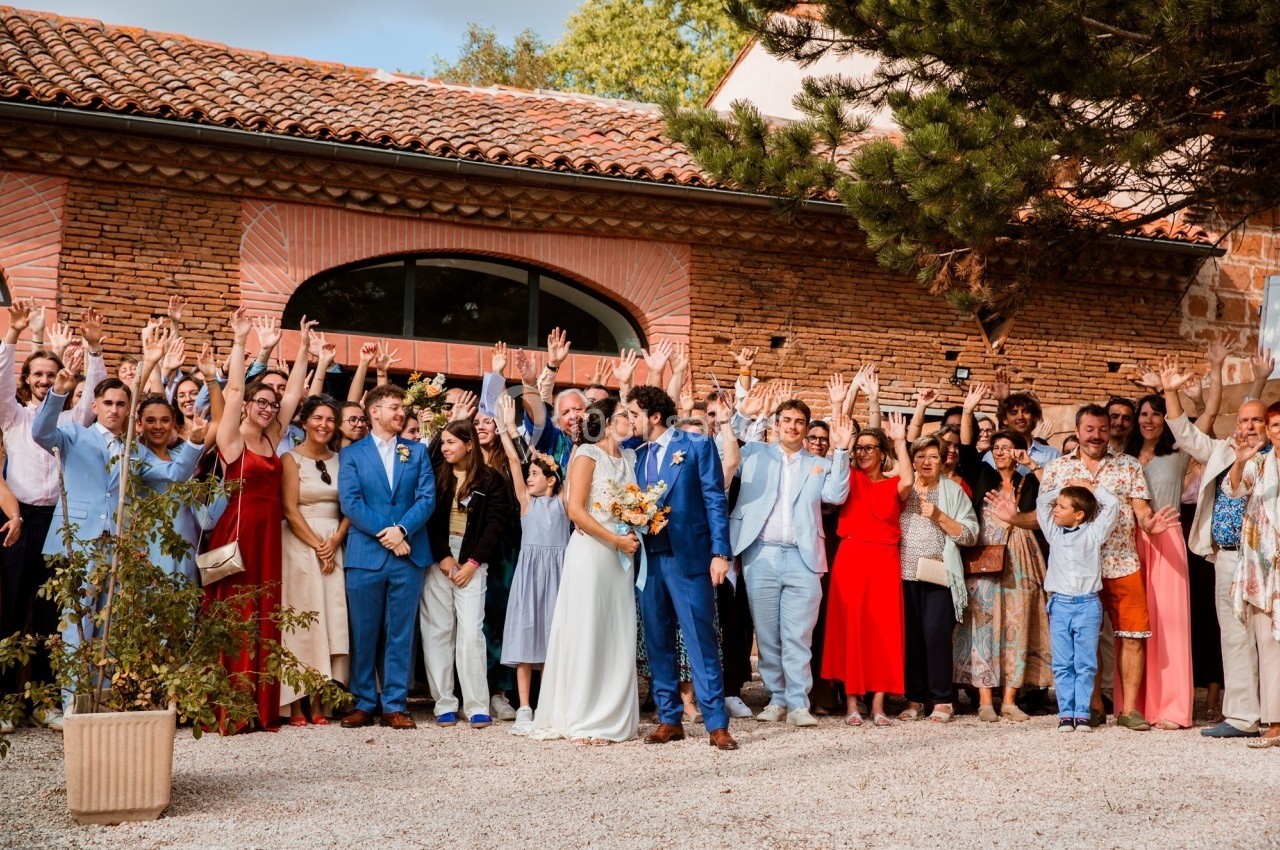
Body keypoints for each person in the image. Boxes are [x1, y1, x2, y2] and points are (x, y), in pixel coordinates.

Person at [1040, 404, 1180, 731]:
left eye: (1103, 429)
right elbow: (1046, 512)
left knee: (1132, 634)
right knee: (1085, 638)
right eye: (1090, 429)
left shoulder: (1128, 466)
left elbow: (1141, 509)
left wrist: (1150, 524)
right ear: (1078, 431)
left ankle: (1129, 709)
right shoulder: (1057, 469)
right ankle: (1093, 707)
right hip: (1076, 570)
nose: (1097, 436)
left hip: (1122, 560)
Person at [0, 301, 105, 729]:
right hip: (18, 520)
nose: (44, 381)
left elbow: (96, 396)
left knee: (49, 614)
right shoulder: (14, 416)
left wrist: (94, 349)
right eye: (37, 375)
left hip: (60, 523)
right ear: (27, 381)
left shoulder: (69, 421)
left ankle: (43, 699)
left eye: (51, 375)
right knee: (9, 610)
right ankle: (6, 703)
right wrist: (14, 335)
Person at [206, 309, 311, 731]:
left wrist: (303, 348)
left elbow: (296, 392)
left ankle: (259, 706)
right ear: (248, 404)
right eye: (261, 401)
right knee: (235, 614)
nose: (269, 407)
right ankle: (228, 706)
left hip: (269, 533)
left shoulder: (273, 435)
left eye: (272, 403)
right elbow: (233, 388)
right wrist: (240, 341)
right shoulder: (231, 438)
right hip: (237, 531)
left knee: (264, 614)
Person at [1160, 366, 1269, 739]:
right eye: (1244, 420)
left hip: (1264, 561)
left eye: (1257, 420)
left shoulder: (1275, 457)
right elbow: (1186, 434)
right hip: (1225, 556)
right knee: (1234, 636)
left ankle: (1273, 715)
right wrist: (1170, 392)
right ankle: (1242, 716)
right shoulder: (1224, 450)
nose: (1250, 426)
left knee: (1269, 636)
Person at [729, 396, 851, 728]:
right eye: (786, 420)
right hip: (761, 553)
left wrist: (840, 453)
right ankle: (777, 698)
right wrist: (740, 415)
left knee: (799, 634)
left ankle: (799, 703)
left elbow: (836, 495)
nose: (792, 426)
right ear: (776, 424)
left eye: (799, 421)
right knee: (768, 634)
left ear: (805, 427)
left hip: (804, 556)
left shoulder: (821, 463)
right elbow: (725, 452)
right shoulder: (754, 453)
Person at [629, 385, 738, 750]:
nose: (629, 421)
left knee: (700, 640)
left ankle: (716, 723)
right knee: (659, 641)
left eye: (634, 414)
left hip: (689, 557)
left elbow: (713, 498)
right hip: (649, 560)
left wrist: (720, 552)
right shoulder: (637, 456)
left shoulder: (695, 446)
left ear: (654, 416)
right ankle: (668, 718)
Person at [530, 397, 641, 745]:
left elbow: (636, 502)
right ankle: (579, 717)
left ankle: (612, 716)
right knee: (587, 630)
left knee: (616, 631)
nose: (631, 420)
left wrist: (636, 528)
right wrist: (614, 539)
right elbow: (575, 511)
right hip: (593, 553)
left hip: (621, 559)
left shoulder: (632, 457)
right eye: (625, 415)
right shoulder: (586, 455)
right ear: (607, 422)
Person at [338, 383, 436, 730]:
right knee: (363, 631)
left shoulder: (417, 451)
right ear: (374, 412)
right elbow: (351, 502)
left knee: (400, 632)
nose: (401, 413)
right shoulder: (351, 454)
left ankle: (394, 703)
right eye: (394, 407)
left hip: (408, 555)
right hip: (366, 554)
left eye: (402, 408)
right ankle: (364, 701)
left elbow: (426, 499)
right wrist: (389, 535)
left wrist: (403, 531)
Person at [955, 383, 1053, 721]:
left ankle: (1010, 698)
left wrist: (1033, 465)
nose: (1000, 451)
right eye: (996, 446)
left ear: (1020, 451)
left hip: (1023, 557)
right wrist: (969, 410)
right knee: (981, 623)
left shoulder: (1033, 479)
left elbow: (1052, 503)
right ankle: (985, 699)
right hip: (985, 552)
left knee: (1019, 621)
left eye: (1007, 446)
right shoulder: (983, 474)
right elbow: (967, 450)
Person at [993, 483, 1118, 733]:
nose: (1056, 509)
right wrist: (1064, 487)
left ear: (1079, 514)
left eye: (1062, 507)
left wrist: (1091, 487)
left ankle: (1082, 713)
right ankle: (1066, 713)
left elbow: (1112, 505)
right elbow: (1042, 502)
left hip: (1087, 604)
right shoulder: (1053, 532)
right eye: (1057, 505)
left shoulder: (1094, 533)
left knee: (1085, 663)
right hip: (1060, 605)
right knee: (1062, 663)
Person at [822, 414, 913, 727]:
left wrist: (900, 440)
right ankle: (851, 702)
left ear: (882, 452)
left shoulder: (892, 485)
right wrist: (842, 435)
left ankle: (878, 703)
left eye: (869, 448)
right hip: (851, 555)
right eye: (858, 448)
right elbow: (834, 479)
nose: (861, 453)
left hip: (885, 560)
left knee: (884, 629)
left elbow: (909, 479)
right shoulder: (848, 477)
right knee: (852, 627)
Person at [422, 418, 513, 728]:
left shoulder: (491, 480)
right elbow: (430, 519)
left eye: (451, 442)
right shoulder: (436, 477)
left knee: (471, 634)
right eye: (443, 442)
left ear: (469, 444)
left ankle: (476, 704)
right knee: (438, 630)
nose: (445, 448)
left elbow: (495, 526)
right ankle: (444, 702)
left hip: (473, 566)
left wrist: (473, 562)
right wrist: (443, 557)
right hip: (440, 565)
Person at [495, 394, 569, 735]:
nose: (530, 478)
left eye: (536, 474)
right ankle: (524, 705)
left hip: (558, 575)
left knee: (554, 638)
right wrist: (507, 428)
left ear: (552, 480)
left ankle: (552, 702)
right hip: (529, 575)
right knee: (526, 637)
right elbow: (514, 463)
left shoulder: (565, 504)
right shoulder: (527, 502)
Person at [897, 434, 979, 724]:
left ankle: (943, 699)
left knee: (935, 633)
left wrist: (940, 516)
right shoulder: (903, 487)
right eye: (920, 456)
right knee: (912, 637)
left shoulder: (953, 491)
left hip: (937, 574)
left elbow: (970, 535)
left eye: (933, 456)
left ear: (943, 460)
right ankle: (915, 698)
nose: (926, 462)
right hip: (901, 574)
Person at [279, 395, 350, 726]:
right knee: (302, 622)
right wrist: (320, 547)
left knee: (331, 619)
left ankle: (324, 700)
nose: (324, 425)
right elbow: (290, 510)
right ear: (304, 421)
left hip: (335, 539)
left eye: (331, 420)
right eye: (318, 418)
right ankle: (296, 701)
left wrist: (335, 540)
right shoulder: (290, 460)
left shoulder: (344, 459)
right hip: (300, 544)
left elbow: (351, 506)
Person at [1124, 393, 1194, 729]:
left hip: (1167, 537)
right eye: (1143, 414)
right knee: (1137, 625)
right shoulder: (1126, 457)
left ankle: (1173, 707)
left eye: (1156, 414)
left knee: (1170, 624)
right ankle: (1136, 705)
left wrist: (1173, 388)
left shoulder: (1179, 452)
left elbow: (1204, 419)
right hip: (1133, 542)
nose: (1148, 420)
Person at [1222, 403, 1280, 748]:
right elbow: (1234, 489)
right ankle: (1275, 721)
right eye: (1274, 425)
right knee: (1269, 644)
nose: (1277, 430)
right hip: (1264, 567)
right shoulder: (1259, 463)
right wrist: (1241, 459)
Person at [134, 391, 209, 583]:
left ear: (173, 423)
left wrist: (215, 377)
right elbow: (177, 473)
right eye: (150, 420)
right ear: (139, 424)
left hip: (189, 543)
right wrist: (195, 440)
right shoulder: (137, 457)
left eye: (165, 420)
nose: (158, 426)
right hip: (153, 547)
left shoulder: (179, 454)